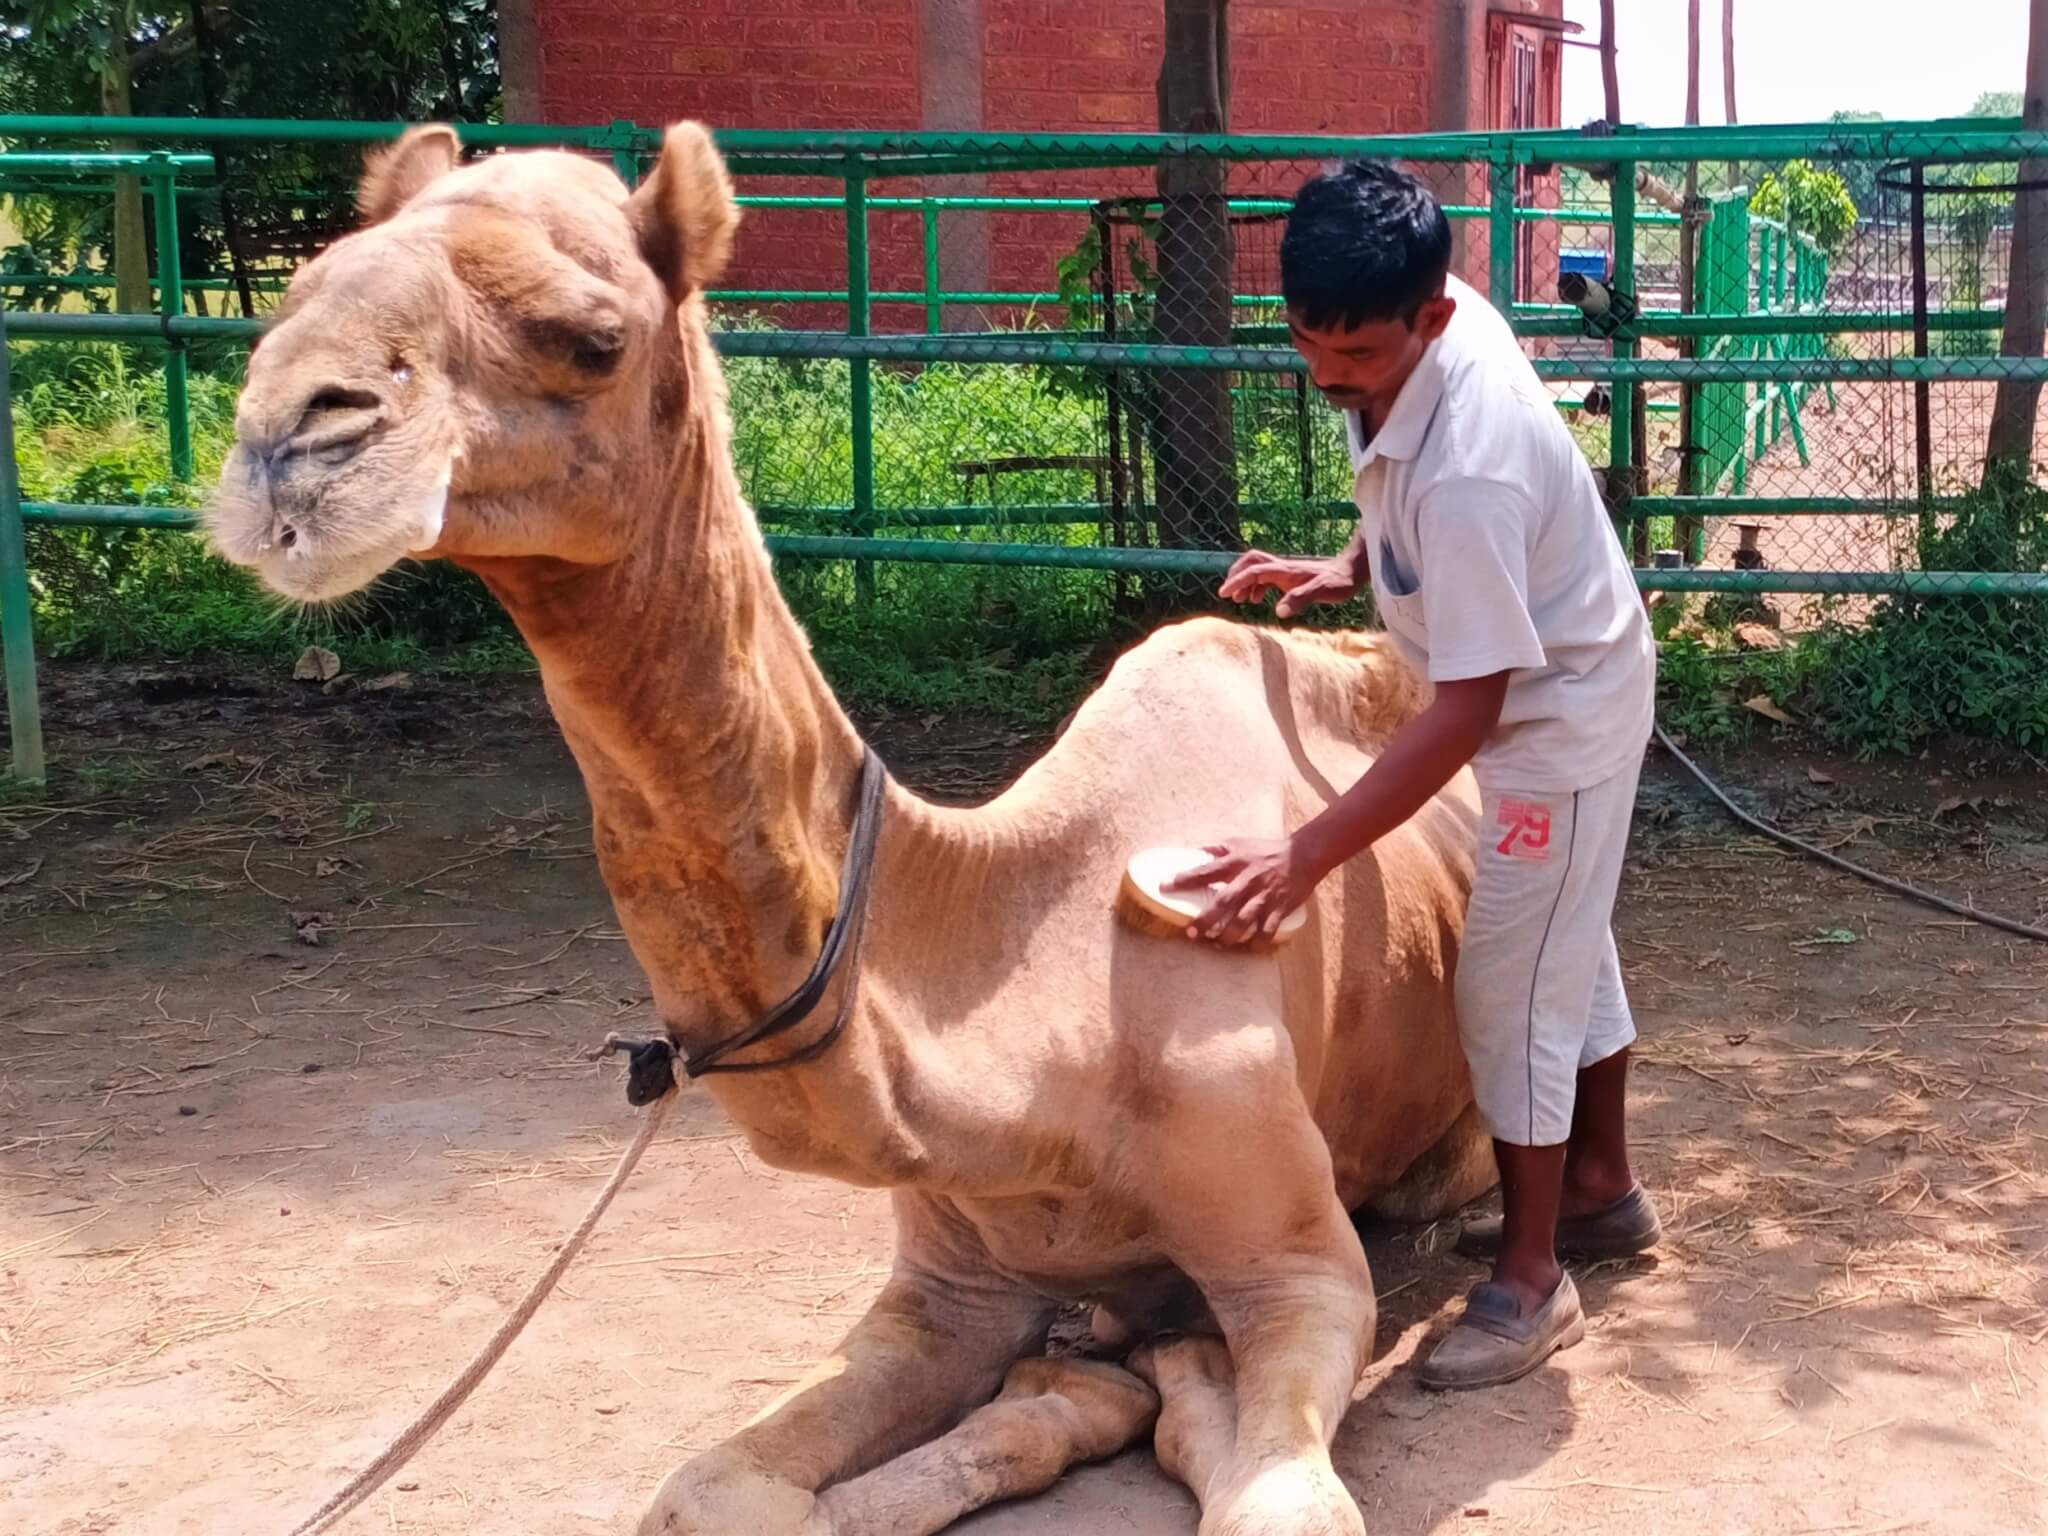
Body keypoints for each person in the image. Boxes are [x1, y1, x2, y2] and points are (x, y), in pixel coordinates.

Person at [1170, 159, 1662, 1391]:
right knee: (1564, 947)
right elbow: (1403, 487)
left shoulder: (1475, 467)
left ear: (1432, 319)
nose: (1332, 375)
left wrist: (1304, 852)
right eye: (1308, 347)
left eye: (1360, 356)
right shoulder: (1409, 333)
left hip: (1557, 712)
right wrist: (1353, 564)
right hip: (1522, 686)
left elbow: (1466, 708)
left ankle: (1534, 1283)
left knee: (1509, 988)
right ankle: (1600, 1193)